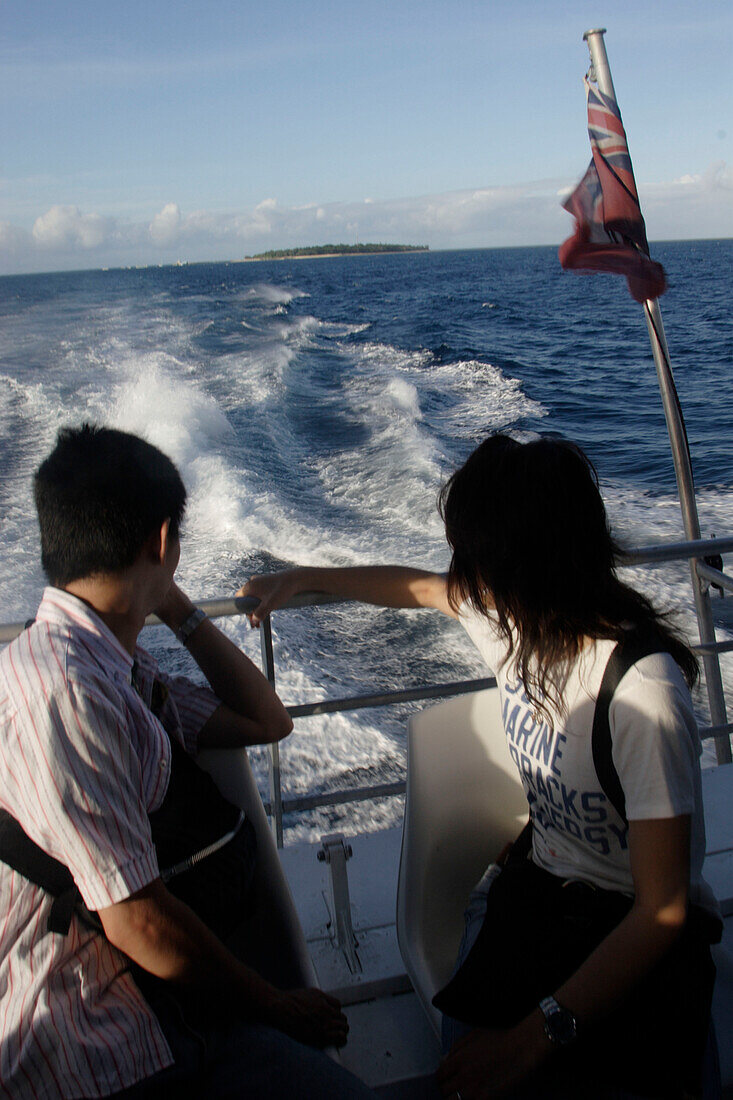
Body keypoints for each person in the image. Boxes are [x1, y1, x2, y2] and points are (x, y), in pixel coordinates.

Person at [239, 433, 721, 1100]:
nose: (463, 578)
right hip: (536, 893)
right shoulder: (513, 615)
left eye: (474, 560)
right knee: (461, 1077)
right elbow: (416, 589)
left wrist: (529, 1041)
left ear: (531, 565)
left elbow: (662, 909)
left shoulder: (642, 696)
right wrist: (301, 580)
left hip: (626, 929)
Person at [0, 424, 374, 1100]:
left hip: (152, 998)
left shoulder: (114, 670)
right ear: (164, 541)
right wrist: (276, 1006)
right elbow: (137, 923)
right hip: (97, 1039)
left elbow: (268, 721)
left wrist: (172, 605)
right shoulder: (66, 694)